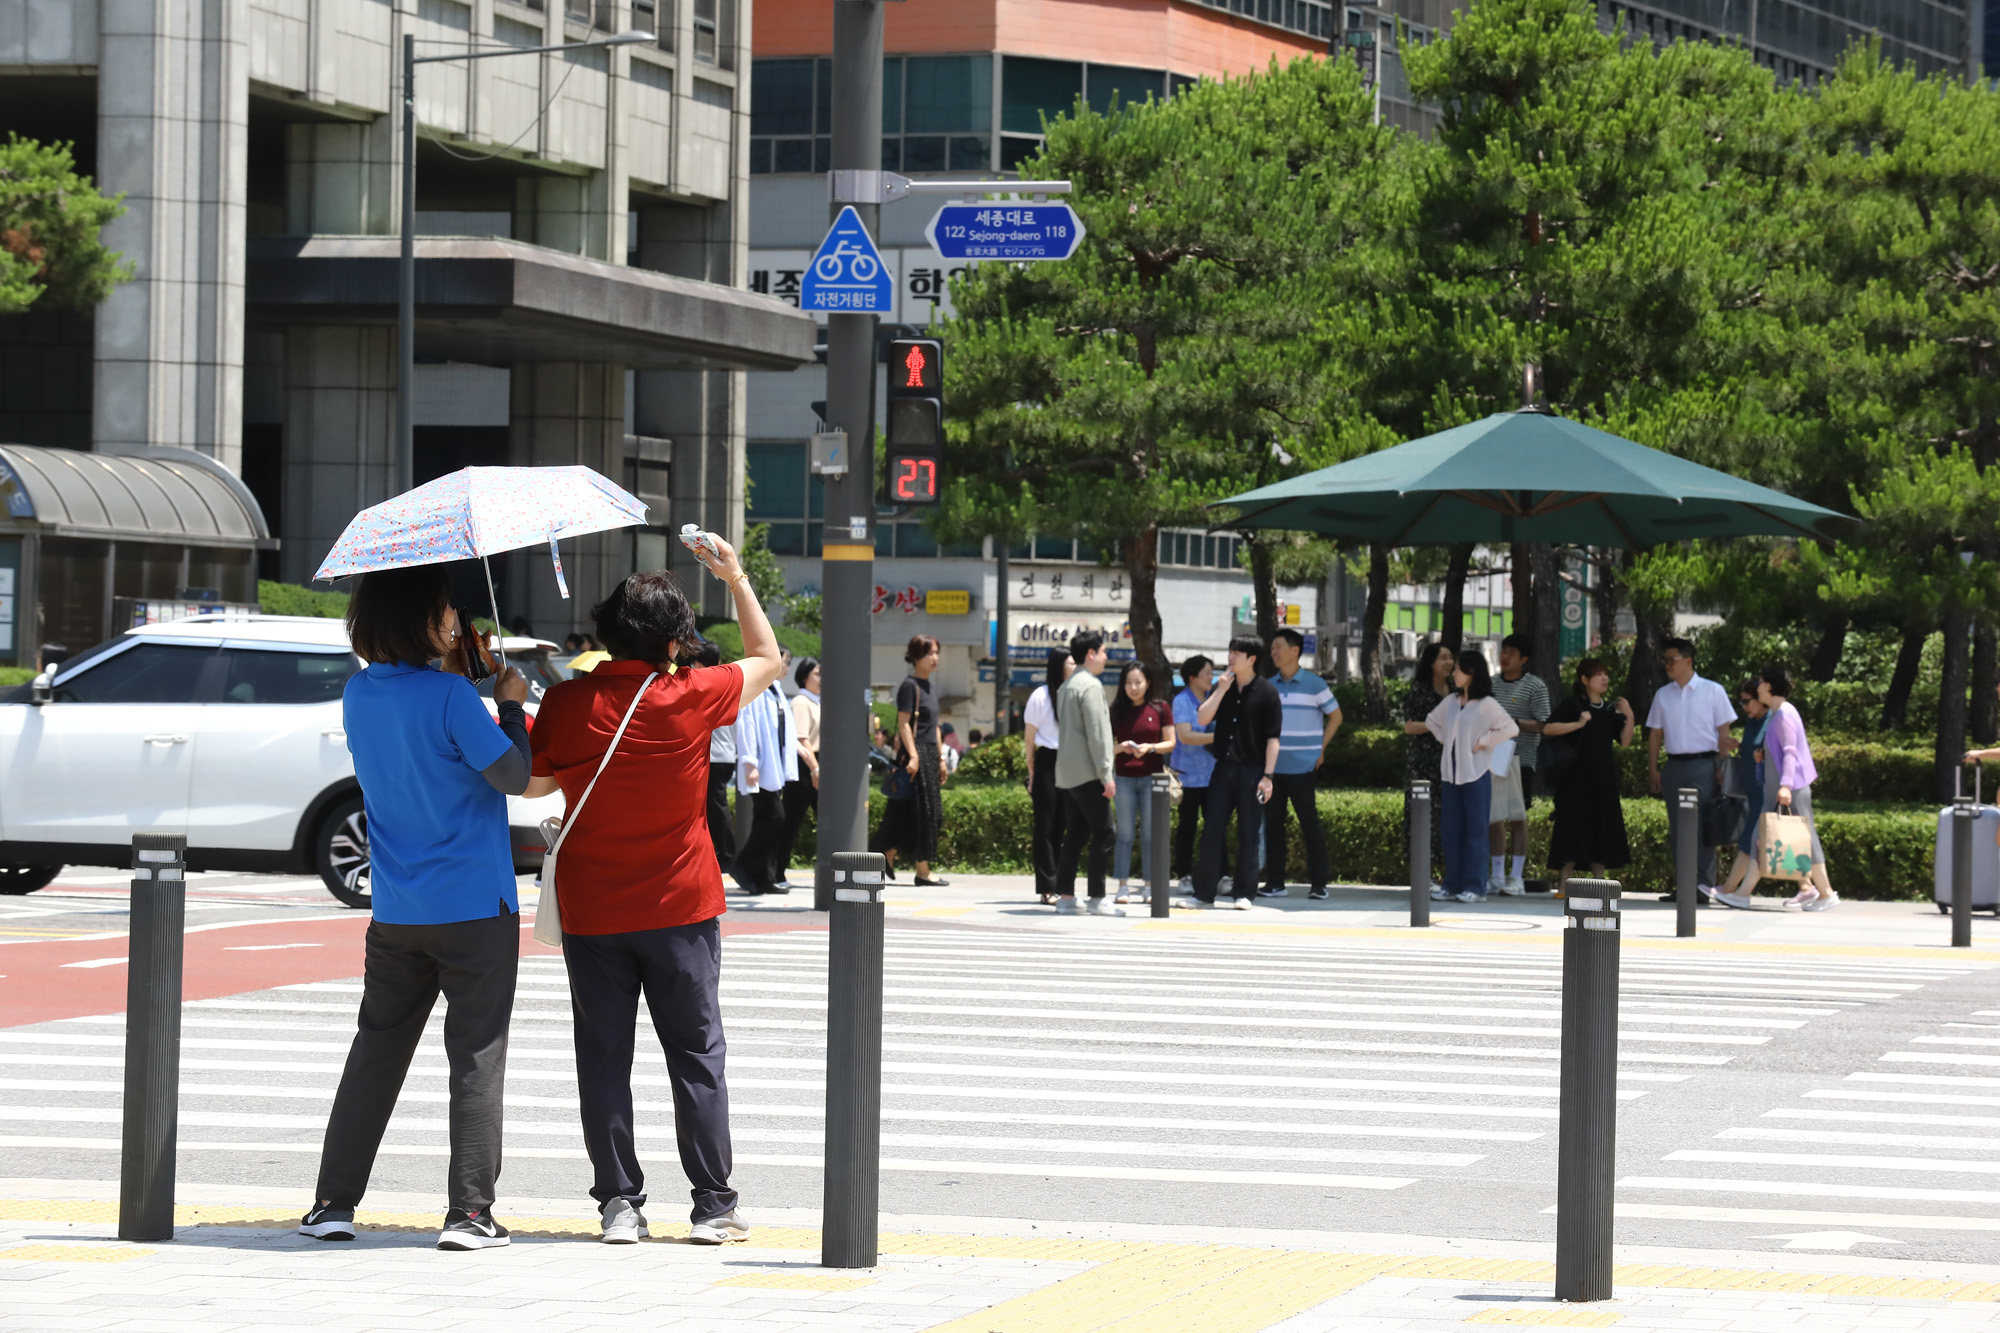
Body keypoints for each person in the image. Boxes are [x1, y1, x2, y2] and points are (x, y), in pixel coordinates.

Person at [521, 544, 781, 1248]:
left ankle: (619, 1204)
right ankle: (712, 1204)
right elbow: (769, 656)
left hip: (594, 911)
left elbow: (534, 786)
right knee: (696, 1053)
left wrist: (515, 707)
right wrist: (735, 576)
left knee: (603, 1054)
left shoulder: (569, 702)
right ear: (674, 643)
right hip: (681, 909)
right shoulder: (692, 694)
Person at [299, 564, 533, 1250]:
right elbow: (512, 774)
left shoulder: (357, 695)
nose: (456, 620)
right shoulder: (454, 700)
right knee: (476, 1056)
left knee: (376, 1052)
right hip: (476, 907)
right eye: (445, 610)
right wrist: (510, 702)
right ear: (422, 620)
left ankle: (333, 1202)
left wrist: (459, 679)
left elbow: (421, 742)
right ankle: (468, 1213)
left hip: (398, 909)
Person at [1187, 636, 1283, 911]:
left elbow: (1273, 739)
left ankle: (1244, 892)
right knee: (1212, 829)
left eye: (1237, 653)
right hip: (1223, 768)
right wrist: (1220, 690)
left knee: (1249, 832)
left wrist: (1268, 776)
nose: (1231, 657)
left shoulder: (1267, 692)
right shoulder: (1223, 686)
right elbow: (1202, 719)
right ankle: (1204, 893)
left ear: (1251, 658)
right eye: (1230, 651)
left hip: (1253, 770)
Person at [1736, 665, 1837, 911]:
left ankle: (1825, 893)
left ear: (1769, 686)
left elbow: (1791, 754)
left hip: (1790, 790)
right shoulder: (1779, 713)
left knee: (1807, 840)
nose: (1757, 687)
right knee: (1760, 839)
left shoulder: (1784, 715)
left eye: (1760, 683)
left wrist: (1785, 787)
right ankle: (1741, 893)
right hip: (1782, 789)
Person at [1645, 637, 1738, 901]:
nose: (1667, 665)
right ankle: (1684, 885)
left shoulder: (1713, 690)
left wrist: (1723, 766)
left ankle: (1704, 886)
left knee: (1704, 826)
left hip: (1705, 764)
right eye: (1665, 660)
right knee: (1678, 828)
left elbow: (1724, 732)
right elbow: (1655, 734)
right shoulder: (1663, 695)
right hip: (1675, 766)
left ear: (1688, 661)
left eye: (1671, 660)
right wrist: (1653, 769)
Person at [1425, 648, 1518, 904]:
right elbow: (1432, 721)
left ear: (1472, 673)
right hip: (1450, 776)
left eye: (1458, 669)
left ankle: (1476, 887)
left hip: (1476, 774)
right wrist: (1447, 739)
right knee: (1451, 831)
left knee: (1476, 832)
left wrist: (1484, 741)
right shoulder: (1452, 702)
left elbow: (1511, 728)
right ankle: (1452, 884)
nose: (1454, 673)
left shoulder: (1487, 705)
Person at [1541, 657, 1634, 898]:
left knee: (1600, 828)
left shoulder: (1608, 710)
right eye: (1598, 674)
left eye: (1605, 674)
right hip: (1574, 780)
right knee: (1571, 829)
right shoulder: (1572, 706)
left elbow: (1625, 741)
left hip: (1602, 781)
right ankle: (1563, 885)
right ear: (1584, 679)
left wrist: (1629, 716)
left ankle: (1600, 885)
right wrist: (1578, 723)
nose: (1604, 678)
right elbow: (1549, 729)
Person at [1262, 628, 1341, 901]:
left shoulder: (1315, 684)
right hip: (1273, 769)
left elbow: (1336, 716)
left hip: (1304, 768)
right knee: (1273, 826)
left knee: (1310, 826)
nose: (1274, 652)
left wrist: (1321, 749)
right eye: (1272, 648)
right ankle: (1275, 882)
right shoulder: (1269, 685)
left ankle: (1319, 883)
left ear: (1295, 650)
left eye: (1279, 647)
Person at [1052, 632, 1119, 914]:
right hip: (1089, 773)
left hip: (1066, 774)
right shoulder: (1091, 687)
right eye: (1103, 652)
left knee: (1075, 835)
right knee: (1105, 833)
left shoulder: (1066, 686)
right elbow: (1098, 734)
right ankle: (1096, 897)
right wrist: (1106, 773)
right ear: (1090, 654)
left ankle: (1066, 897)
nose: (1106, 657)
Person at [877, 635, 948, 885]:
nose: (935, 658)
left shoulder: (929, 686)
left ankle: (886, 853)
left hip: (929, 754)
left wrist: (941, 758)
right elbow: (904, 723)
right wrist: (915, 756)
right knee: (926, 813)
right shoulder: (910, 686)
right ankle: (922, 870)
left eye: (937, 652)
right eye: (930, 653)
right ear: (916, 656)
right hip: (915, 754)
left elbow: (934, 726)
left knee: (910, 811)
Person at [729, 647, 796, 894]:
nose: (786, 668)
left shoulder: (776, 691)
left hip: (774, 765)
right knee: (774, 818)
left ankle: (763, 877)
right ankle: (743, 866)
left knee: (766, 819)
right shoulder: (756, 689)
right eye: (783, 662)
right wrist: (749, 762)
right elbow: (745, 726)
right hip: (759, 765)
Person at [1486, 635, 1549, 896]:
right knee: (1493, 816)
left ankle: (1517, 877)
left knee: (1517, 816)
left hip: (1520, 758)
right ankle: (1497, 875)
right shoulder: (1489, 685)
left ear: (1524, 659)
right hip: (1491, 757)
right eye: (1504, 651)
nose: (1505, 657)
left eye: (1512, 652)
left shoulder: (1535, 686)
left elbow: (1544, 723)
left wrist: (1514, 722)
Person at [1109, 662, 1173, 904]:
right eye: (1128, 683)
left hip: (1153, 778)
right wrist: (1122, 747)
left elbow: (1171, 742)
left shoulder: (1160, 707)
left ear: (1147, 682)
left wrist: (1151, 747)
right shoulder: (1117, 709)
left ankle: (1149, 885)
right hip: (1124, 778)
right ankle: (1122, 886)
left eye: (1138, 682)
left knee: (1150, 835)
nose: (1133, 687)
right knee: (1124, 834)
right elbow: (1105, 745)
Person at [1706, 678, 1769, 908]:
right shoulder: (1753, 721)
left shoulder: (1772, 719)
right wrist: (1738, 747)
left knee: (1751, 840)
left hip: (1766, 791)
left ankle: (1733, 890)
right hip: (1753, 789)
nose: (1743, 707)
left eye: (1746, 701)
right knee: (1754, 840)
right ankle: (1809, 887)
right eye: (1740, 702)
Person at [1023, 648, 1072, 904]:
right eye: (1071, 662)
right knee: (1045, 825)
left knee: (1065, 824)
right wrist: (1031, 774)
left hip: (1070, 761)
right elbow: (1029, 738)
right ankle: (1047, 886)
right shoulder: (1040, 696)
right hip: (1046, 761)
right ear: (1059, 666)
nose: (1075, 665)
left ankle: (1062, 884)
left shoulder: (1073, 693)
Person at [1402, 642, 1454, 884]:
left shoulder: (1455, 691)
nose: (1449, 662)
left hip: (1451, 763)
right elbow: (1409, 726)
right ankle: (1424, 875)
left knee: (1447, 817)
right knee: (1423, 818)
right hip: (1423, 763)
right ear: (1431, 662)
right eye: (1443, 657)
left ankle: (1446, 874)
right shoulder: (1419, 691)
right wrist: (1436, 727)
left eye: (1451, 658)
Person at [1170, 655, 1217, 889]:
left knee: (1215, 825)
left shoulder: (1214, 699)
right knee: (1187, 827)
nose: (1211, 677)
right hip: (1187, 775)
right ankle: (1184, 875)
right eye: (1207, 672)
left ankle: (1220, 874)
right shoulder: (1181, 701)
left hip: (1213, 774)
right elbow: (1186, 736)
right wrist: (1220, 737)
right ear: (1192, 677)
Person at [697, 639, 738, 871]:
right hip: (728, 755)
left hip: (713, 755)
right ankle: (723, 852)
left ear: (697, 662)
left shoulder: (702, 684)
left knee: (714, 806)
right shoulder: (726, 683)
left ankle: (727, 855)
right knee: (716, 805)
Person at [779, 656, 821, 878]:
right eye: (817, 673)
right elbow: (802, 739)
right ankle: (777, 870)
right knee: (791, 821)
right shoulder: (800, 702)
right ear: (804, 677)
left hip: (817, 763)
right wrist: (815, 768)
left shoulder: (818, 701)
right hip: (805, 765)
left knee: (826, 820)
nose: (821, 678)